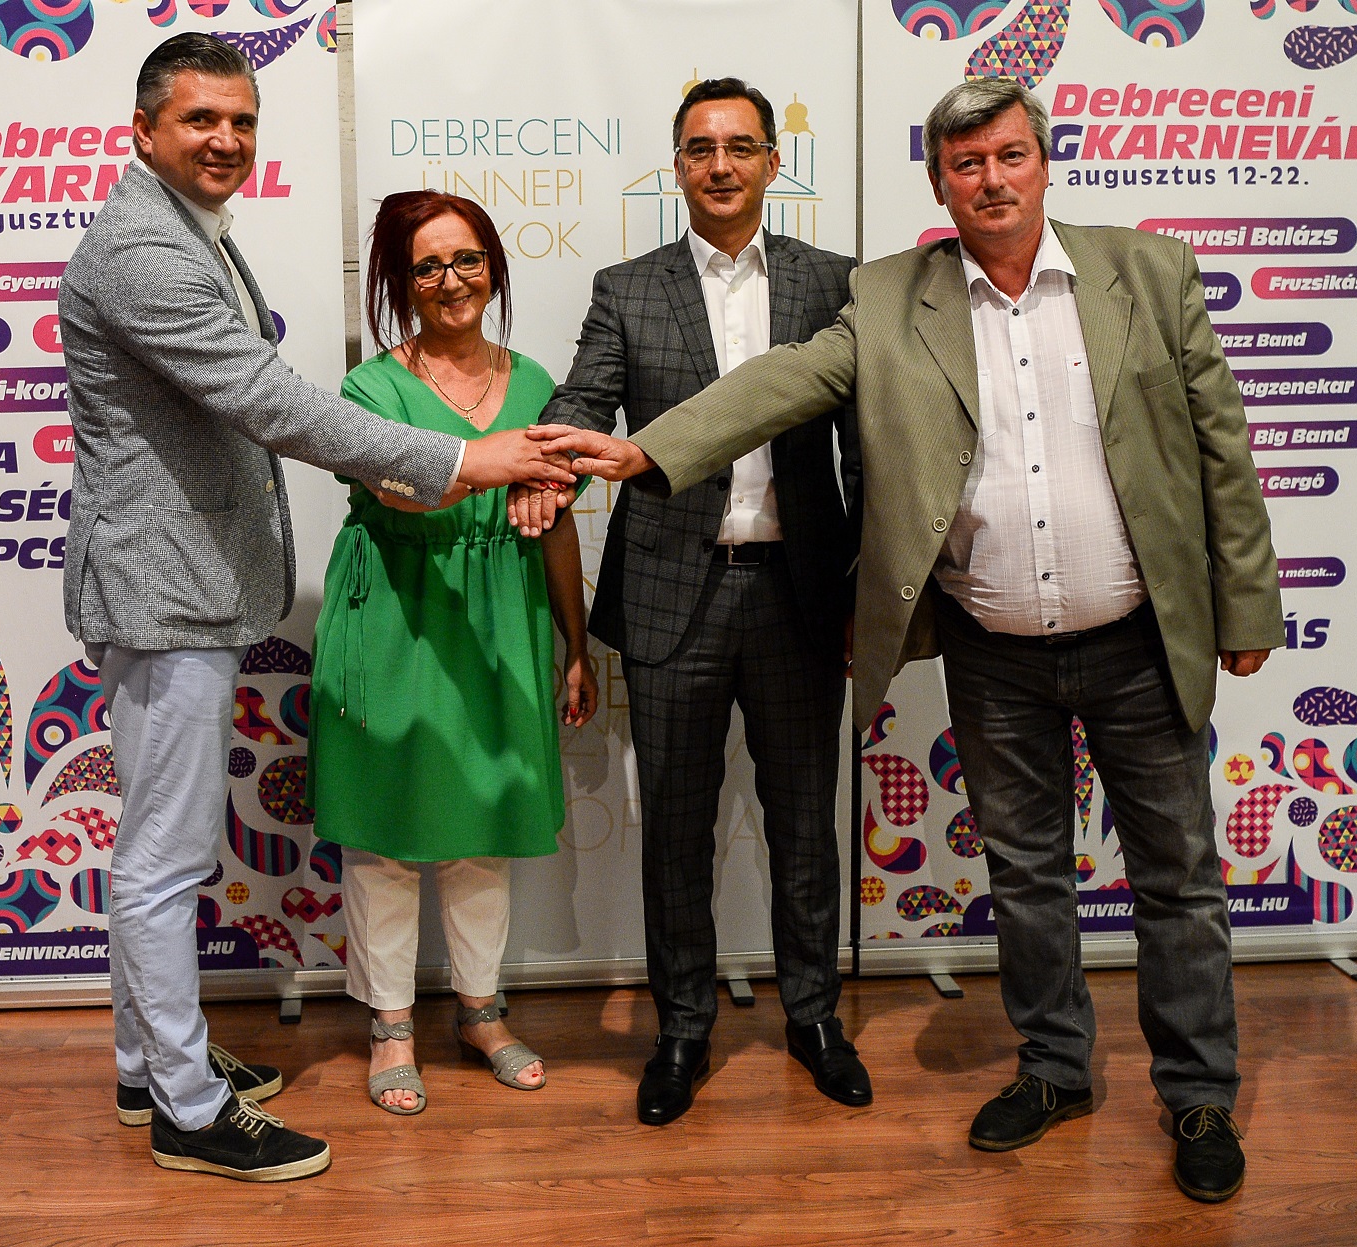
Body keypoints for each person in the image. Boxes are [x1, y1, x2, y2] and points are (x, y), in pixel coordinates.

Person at [532, 77, 1282, 1203]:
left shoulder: (1148, 270)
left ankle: (1198, 1092)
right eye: (965, 163)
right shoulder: (890, 295)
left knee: (1177, 878)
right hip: (991, 642)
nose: (991, 180)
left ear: (1043, 162)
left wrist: (1245, 602)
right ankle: (1054, 1068)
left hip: (1135, 632)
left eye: (1009, 156)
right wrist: (649, 452)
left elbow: (1221, 442)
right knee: (1025, 875)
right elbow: (787, 382)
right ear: (938, 183)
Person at [60, 35, 572, 1182]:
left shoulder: (190, 231)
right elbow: (268, 400)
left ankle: (150, 1064)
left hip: (186, 585)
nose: (225, 139)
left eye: (241, 120)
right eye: (199, 119)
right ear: (143, 131)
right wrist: (467, 460)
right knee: (162, 861)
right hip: (166, 591)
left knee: (160, 851)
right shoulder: (144, 249)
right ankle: (185, 1106)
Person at [522, 78, 867, 1127]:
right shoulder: (628, 288)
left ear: (772, 162)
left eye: (741, 146)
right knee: (673, 825)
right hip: (673, 593)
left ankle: (814, 1016)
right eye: (700, 148)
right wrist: (545, 462)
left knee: (804, 822)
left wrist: (864, 582)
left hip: (800, 594)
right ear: (675, 166)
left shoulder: (835, 281)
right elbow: (584, 399)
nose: (720, 165)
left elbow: (869, 444)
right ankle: (680, 1027)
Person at [310, 190, 596, 1115]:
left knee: (485, 822)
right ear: (400, 283)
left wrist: (575, 641)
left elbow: (555, 522)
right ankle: (390, 1025)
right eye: (426, 266)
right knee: (385, 832)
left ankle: (481, 1011)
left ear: (493, 268)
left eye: (466, 259)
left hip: (503, 615)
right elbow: (401, 491)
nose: (450, 280)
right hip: (395, 612)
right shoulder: (370, 387)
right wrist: (489, 464)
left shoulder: (536, 381)